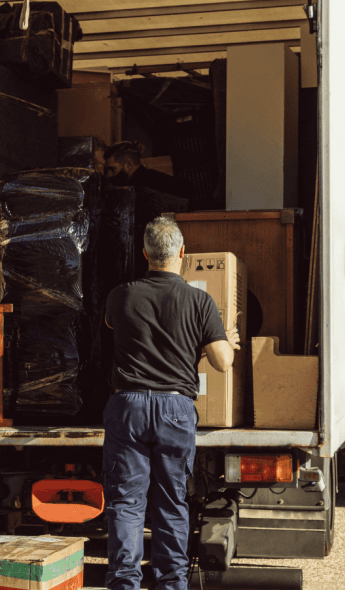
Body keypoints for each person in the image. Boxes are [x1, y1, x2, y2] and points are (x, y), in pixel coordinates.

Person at [102, 216, 240, 590]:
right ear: (182, 254)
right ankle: (172, 584)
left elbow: (114, 326)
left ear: (145, 253)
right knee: (171, 501)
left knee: (126, 503)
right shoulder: (200, 301)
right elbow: (222, 362)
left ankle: (124, 583)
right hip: (175, 411)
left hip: (128, 406)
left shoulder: (121, 295)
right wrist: (224, 339)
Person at [103, 142, 194, 199]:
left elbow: (186, 189)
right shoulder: (142, 182)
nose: (109, 175)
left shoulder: (149, 184)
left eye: (112, 169)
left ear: (128, 165)